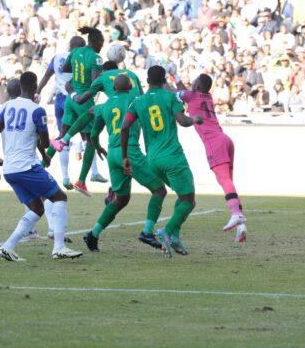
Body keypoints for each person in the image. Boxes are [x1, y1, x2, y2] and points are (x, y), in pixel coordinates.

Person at [0, 71, 82, 261]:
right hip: (27, 166)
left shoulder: (7, 107)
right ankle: (59, 247)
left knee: (37, 209)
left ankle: (8, 247)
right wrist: (48, 142)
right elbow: (46, 142)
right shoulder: (37, 110)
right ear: (35, 86)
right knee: (59, 197)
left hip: (10, 170)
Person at [121, 65, 203, 258]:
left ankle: (174, 237)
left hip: (152, 160)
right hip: (173, 156)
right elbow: (182, 121)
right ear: (164, 80)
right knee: (189, 200)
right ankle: (167, 231)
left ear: (147, 81)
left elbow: (124, 126)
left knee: (182, 197)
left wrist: (125, 156)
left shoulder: (137, 101)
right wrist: (195, 119)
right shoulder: (170, 97)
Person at [83, 74, 167, 252]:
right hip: (129, 151)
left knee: (121, 199)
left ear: (113, 89)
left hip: (113, 153)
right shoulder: (135, 99)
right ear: (130, 87)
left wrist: (98, 147)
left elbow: (93, 135)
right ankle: (147, 231)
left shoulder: (104, 106)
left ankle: (93, 234)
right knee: (159, 190)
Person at [177, 74, 248, 243]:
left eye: (194, 81)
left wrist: (169, 77)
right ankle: (241, 225)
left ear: (198, 85)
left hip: (214, 142)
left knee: (224, 181)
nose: (192, 82)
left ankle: (237, 215)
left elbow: (174, 92)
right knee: (229, 183)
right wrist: (177, 77)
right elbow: (183, 90)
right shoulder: (207, 96)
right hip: (225, 139)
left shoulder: (190, 95)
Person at [53, 26, 105, 197]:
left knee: (63, 134)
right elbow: (95, 84)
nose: (102, 46)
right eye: (101, 43)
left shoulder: (75, 52)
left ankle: (44, 160)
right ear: (96, 41)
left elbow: (65, 68)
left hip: (70, 98)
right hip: (84, 101)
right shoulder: (96, 59)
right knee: (90, 141)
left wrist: (77, 72)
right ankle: (82, 181)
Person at [36, 36, 86, 189]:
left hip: (59, 101)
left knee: (63, 137)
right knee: (87, 136)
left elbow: (46, 76)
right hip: (76, 100)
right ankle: (90, 174)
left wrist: (37, 92)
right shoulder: (81, 59)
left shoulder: (57, 58)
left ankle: (64, 177)